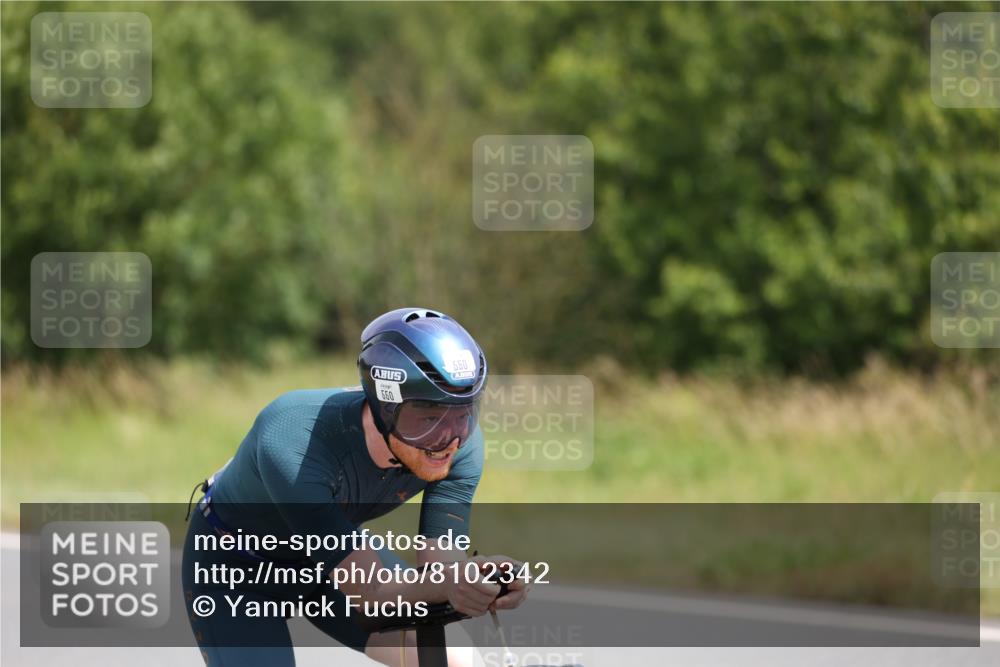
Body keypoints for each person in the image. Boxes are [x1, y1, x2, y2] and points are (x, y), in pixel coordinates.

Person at [182, 308, 527, 667]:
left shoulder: (463, 445)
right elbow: (371, 591)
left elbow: (441, 575)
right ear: (385, 406)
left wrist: (477, 581)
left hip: (326, 558)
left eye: (463, 412)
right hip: (237, 567)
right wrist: (450, 585)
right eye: (427, 417)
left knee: (461, 662)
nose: (448, 438)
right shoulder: (292, 441)